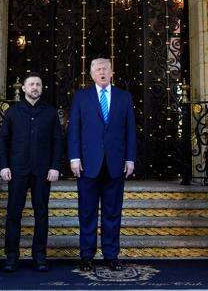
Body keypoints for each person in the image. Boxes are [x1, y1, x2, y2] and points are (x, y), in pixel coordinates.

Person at [67, 58, 136, 272]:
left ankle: (111, 256)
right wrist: (74, 157)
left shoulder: (124, 97)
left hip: (115, 164)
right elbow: (74, 129)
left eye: (105, 68)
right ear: (91, 74)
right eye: (98, 69)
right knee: (87, 213)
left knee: (112, 213)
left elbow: (130, 130)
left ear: (112, 72)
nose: (102, 71)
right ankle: (87, 256)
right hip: (87, 164)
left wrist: (130, 158)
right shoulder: (81, 97)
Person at [0, 72, 64, 272]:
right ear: (24, 88)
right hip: (17, 170)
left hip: (43, 171)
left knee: (41, 214)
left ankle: (40, 258)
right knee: (13, 214)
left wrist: (55, 166)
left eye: (38, 84)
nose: (35, 87)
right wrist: (4, 165)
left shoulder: (50, 113)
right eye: (31, 84)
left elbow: (58, 142)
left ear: (42, 88)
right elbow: (3, 141)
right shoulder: (13, 112)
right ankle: (11, 258)